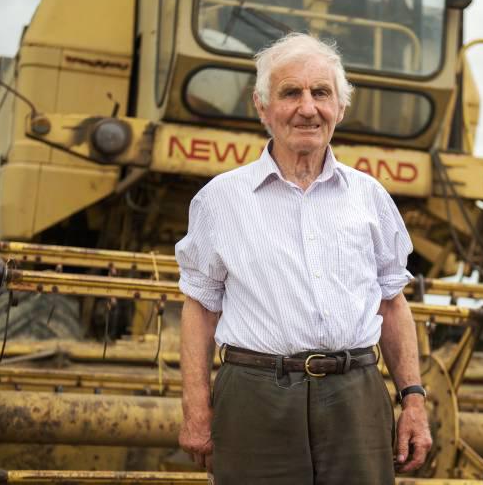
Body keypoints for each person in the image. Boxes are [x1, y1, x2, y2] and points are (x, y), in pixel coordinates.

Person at [175, 32, 431, 484]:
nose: (308, 108)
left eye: (321, 93)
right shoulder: (220, 200)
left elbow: (392, 304)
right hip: (255, 398)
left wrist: (413, 399)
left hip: (356, 397)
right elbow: (200, 306)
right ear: (262, 107)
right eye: (291, 93)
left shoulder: (370, 197)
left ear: (341, 108)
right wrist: (195, 408)